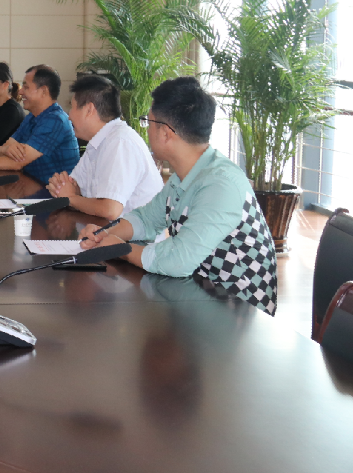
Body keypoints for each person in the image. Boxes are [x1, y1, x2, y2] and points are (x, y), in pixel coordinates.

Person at [80, 77, 278, 315]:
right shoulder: (186, 175)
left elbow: (178, 260)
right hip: (198, 295)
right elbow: (146, 219)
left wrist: (121, 249)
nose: (147, 129)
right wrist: (104, 234)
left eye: (148, 122)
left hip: (235, 311)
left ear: (165, 133)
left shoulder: (221, 184)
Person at [47, 74, 162, 221]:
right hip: (105, 229)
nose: (69, 116)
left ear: (89, 109)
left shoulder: (120, 142)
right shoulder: (98, 141)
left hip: (135, 235)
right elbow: (75, 187)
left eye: (72, 107)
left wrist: (69, 198)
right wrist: (63, 187)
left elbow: (110, 209)